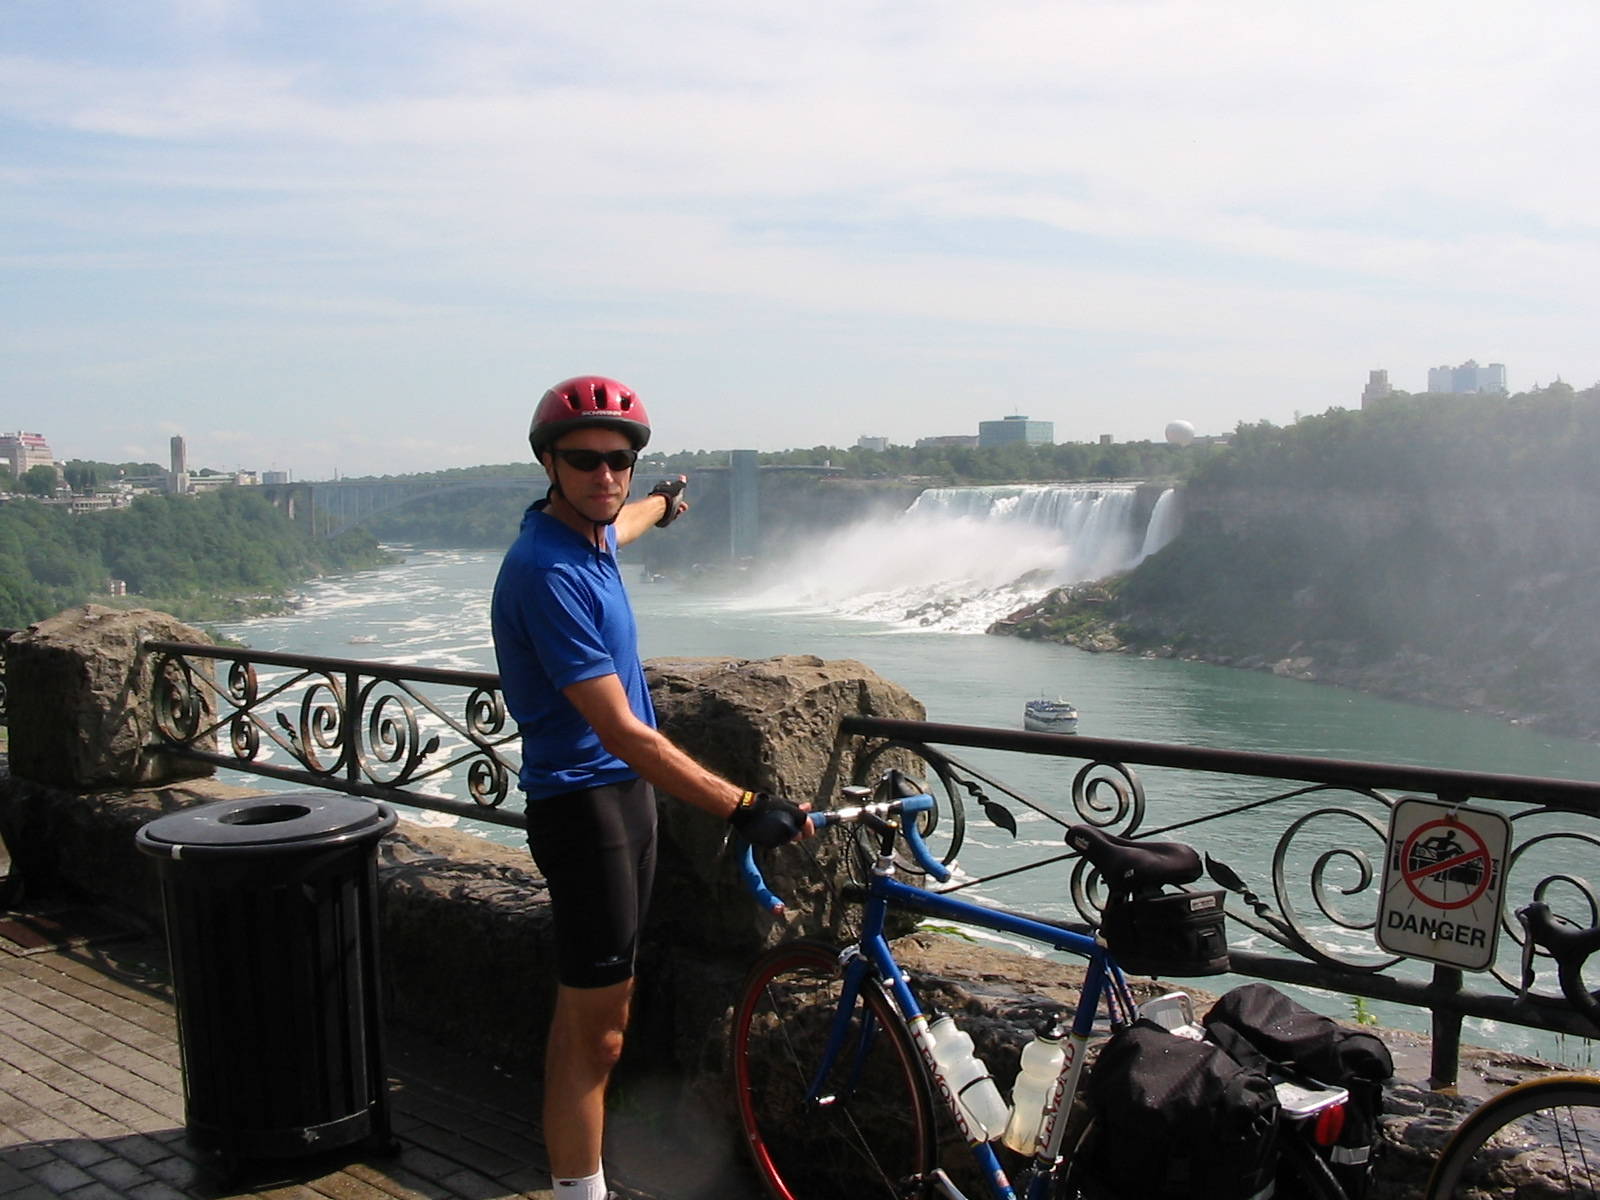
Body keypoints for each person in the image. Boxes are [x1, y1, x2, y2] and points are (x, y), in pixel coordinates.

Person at [490, 375, 808, 1200]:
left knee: (596, 1020)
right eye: (585, 461)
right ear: (548, 464)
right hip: (584, 807)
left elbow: (624, 523)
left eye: (621, 461)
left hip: (622, 805)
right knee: (596, 1037)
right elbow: (624, 732)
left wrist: (662, 507)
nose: (606, 477)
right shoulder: (546, 571)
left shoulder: (589, 534)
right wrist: (743, 805)